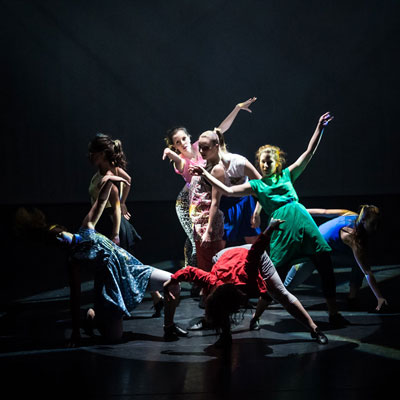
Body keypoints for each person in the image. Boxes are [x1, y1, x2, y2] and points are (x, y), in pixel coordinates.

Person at [190, 112, 349, 327]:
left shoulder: (288, 174)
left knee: (325, 264)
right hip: (282, 229)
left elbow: (308, 152)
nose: (265, 165)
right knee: (274, 279)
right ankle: (256, 317)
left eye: (269, 162)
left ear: (277, 162)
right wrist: (204, 173)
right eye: (262, 163)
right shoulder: (257, 185)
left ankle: (333, 313)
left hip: (303, 223)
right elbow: (228, 190)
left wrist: (319, 128)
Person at [18, 175, 188, 345]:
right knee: (114, 337)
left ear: (64, 230)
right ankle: (92, 315)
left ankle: (169, 326)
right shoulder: (74, 260)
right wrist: (76, 332)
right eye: (57, 241)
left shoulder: (87, 228)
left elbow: (100, 201)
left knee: (173, 283)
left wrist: (110, 180)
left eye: (60, 235)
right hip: (111, 289)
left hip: (132, 271)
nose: (61, 239)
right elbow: (75, 298)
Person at [164, 219, 328, 347]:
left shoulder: (248, 276)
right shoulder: (213, 281)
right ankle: (225, 336)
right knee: (218, 305)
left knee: (280, 294)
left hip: (250, 253)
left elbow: (256, 251)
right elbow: (190, 271)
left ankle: (315, 329)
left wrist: (269, 229)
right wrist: (172, 280)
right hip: (224, 256)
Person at [162, 98, 257, 267]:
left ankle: (196, 270)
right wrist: (169, 153)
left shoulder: (201, 146)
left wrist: (237, 108)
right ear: (174, 146)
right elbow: (179, 161)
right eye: (177, 142)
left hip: (208, 196)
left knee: (202, 240)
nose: (183, 143)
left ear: (189, 137)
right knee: (198, 241)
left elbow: (220, 130)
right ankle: (195, 273)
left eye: (184, 138)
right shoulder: (181, 160)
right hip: (188, 201)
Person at [88, 134, 164, 316]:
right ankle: (156, 296)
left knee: (122, 266)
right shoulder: (107, 171)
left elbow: (115, 205)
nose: (90, 155)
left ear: (102, 154)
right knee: (129, 263)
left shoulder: (109, 175)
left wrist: (121, 206)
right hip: (107, 221)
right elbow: (128, 180)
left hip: (112, 223)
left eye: (93, 152)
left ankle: (108, 308)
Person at [284, 205, 388, 311]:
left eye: (378, 224)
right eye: (372, 224)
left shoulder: (351, 214)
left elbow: (324, 211)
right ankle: (273, 294)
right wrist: (379, 297)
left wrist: (300, 211)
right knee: (287, 287)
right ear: (364, 220)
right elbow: (367, 272)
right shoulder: (350, 236)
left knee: (359, 261)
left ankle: (352, 297)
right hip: (310, 250)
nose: (376, 228)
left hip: (324, 249)